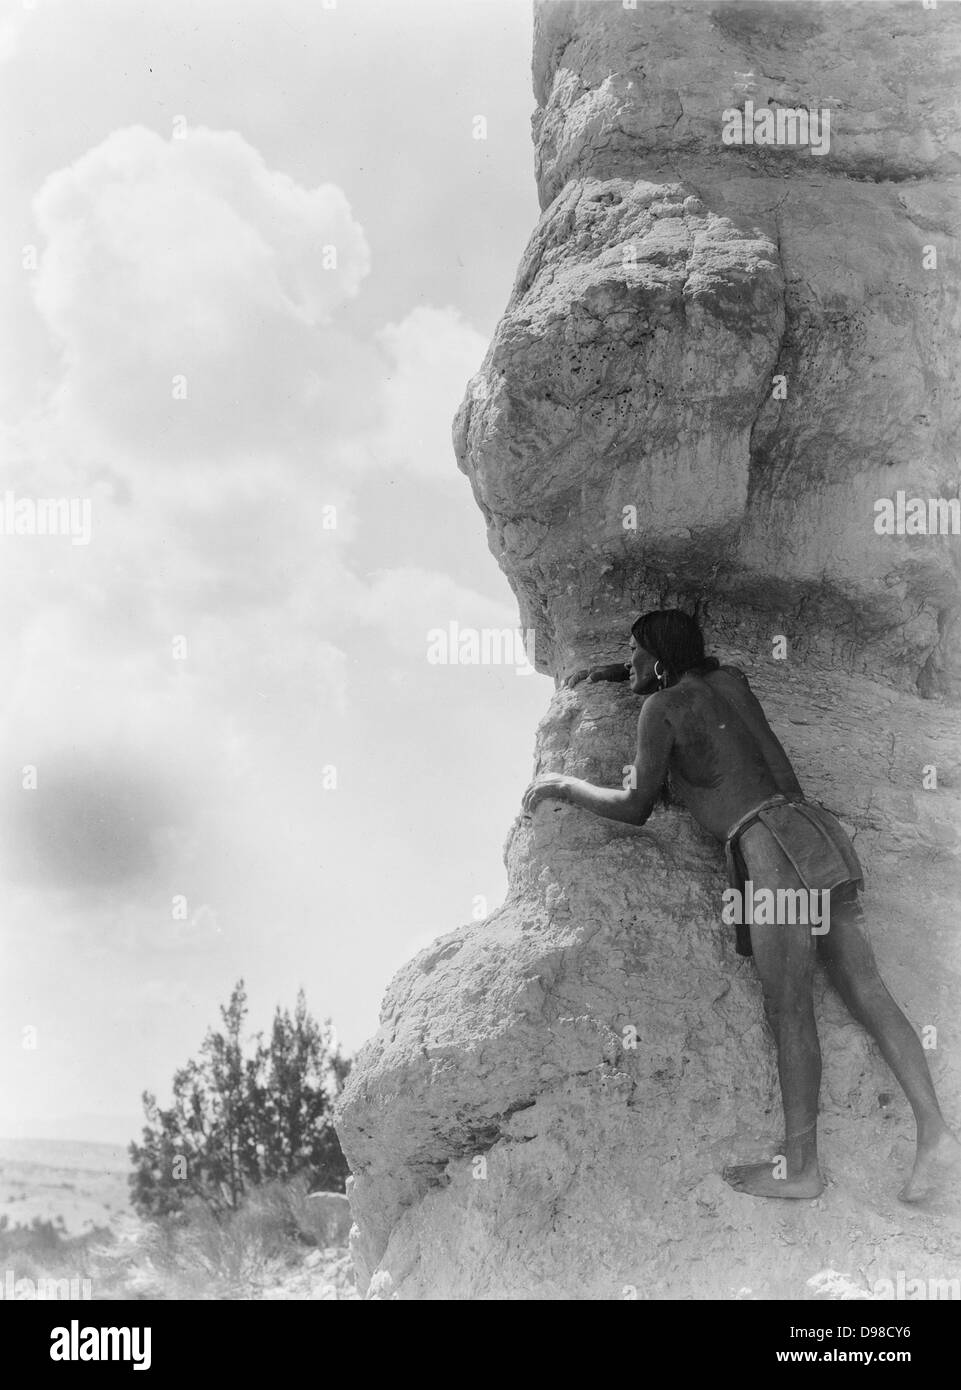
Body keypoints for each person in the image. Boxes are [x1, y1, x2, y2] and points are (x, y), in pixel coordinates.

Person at [522, 609, 959, 1201]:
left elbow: (635, 804)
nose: (629, 665)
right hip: (813, 832)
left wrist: (562, 785)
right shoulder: (730, 683)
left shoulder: (662, 708)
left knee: (789, 1009)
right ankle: (935, 1132)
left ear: (660, 661)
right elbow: (691, 682)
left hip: (769, 852)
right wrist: (617, 672)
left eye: (634, 654)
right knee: (867, 987)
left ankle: (802, 1167)